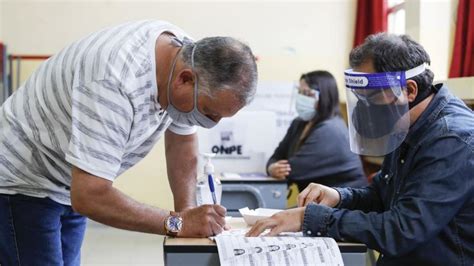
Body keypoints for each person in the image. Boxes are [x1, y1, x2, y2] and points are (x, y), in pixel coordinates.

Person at [0, 20, 258, 265]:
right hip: (24, 178)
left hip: (68, 179)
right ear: (185, 79)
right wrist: (177, 224)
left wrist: (187, 212)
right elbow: (90, 195)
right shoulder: (113, 80)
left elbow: (182, 143)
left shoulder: (186, 58)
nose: (210, 123)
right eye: (208, 112)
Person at [247, 33, 473, 265]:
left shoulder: (452, 138)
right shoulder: (406, 123)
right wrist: (339, 196)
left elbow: (403, 230)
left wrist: (310, 218)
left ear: (409, 90)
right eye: (360, 97)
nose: (364, 108)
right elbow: (380, 196)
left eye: (370, 97)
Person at [266, 71, 367, 191]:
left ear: (324, 97)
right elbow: (276, 156)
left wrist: (273, 169)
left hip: (345, 203)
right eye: (300, 92)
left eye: (307, 93)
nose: (301, 97)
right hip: (318, 202)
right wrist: (271, 168)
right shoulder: (299, 123)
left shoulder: (331, 129)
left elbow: (292, 171)